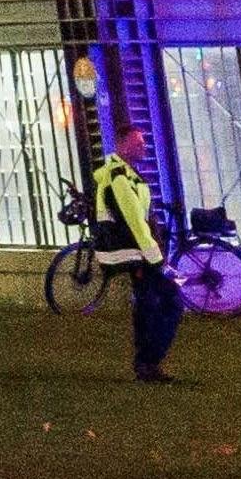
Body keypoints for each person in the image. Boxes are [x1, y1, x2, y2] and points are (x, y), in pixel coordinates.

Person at [86, 137, 180, 381]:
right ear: (124, 145)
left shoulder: (124, 174)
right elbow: (134, 221)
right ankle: (148, 362)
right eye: (138, 143)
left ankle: (147, 363)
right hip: (137, 253)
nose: (144, 147)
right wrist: (155, 258)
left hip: (138, 253)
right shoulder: (120, 177)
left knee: (149, 304)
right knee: (165, 302)